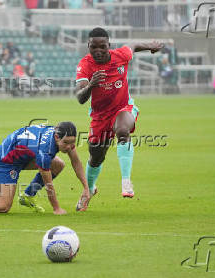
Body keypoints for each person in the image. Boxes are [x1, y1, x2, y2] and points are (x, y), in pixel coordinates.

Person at [74, 27, 163, 211]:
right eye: (93, 47)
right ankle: (89, 190)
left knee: (123, 131)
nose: (98, 51)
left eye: (102, 47)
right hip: (100, 116)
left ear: (109, 46)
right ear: (88, 46)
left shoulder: (121, 56)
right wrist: (91, 85)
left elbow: (134, 45)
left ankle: (126, 181)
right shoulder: (85, 65)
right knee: (96, 156)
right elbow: (80, 98)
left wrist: (151, 46)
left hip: (123, 107)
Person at [0, 122, 90, 215]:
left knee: (58, 164)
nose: (69, 147)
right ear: (57, 137)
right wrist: (56, 208)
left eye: (72, 143)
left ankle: (27, 196)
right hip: (6, 160)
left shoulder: (63, 136)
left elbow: (76, 162)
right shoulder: (44, 152)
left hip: (24, 154)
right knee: (2, 206)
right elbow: (48, 184)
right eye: (66, 143)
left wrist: (86, 188)